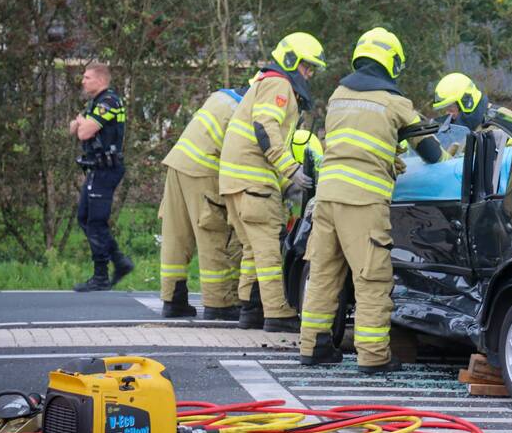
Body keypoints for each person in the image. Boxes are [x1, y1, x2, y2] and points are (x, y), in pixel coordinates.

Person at [299, 27, 444, 374]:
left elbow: (356, 144)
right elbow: (432, 153)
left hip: (327, 197)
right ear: (391, 62)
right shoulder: (395, 103)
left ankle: (313, 347)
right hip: (362, 202)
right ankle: (374, 356)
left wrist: (389, 151)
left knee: (322, 273)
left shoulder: (338, 96)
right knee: (372, 278)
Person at [219, 32, 326, 333]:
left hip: (235, 181)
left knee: (253, 250)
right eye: (307, 66)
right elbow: (265, 129)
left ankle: (250, 310)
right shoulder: (278, 84)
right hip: (253, 181)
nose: (309, 73)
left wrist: (284, 179)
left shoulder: (264, 83)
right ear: (292, 60)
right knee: (268, 247)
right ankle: (277, 312)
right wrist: (291, 170)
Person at [157, 85, 248, 320]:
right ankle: (219, 304)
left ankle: (173, 299)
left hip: (177, 165)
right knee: (213, 234)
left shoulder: (221, 96)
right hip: (203, 171)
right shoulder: (247, 109)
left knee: (176, 236)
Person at [69, 62, 134, 292]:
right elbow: (73, 128)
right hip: (97, 169)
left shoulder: (108, 102)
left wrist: (81, 123)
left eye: (87, 77)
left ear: (100, 79)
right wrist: (80, 123)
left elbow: (83, 131)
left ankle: (101, 276)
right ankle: (119, 261)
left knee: (95, 221)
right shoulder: (95, 102)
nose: (83, 81)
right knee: (85, 217)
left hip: (106, 169)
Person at [432, 72, 512, 140]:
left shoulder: (500, 120)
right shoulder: (457, 130)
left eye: (451, 109)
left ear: (467, 102)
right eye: (446, 110)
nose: (448, 114)